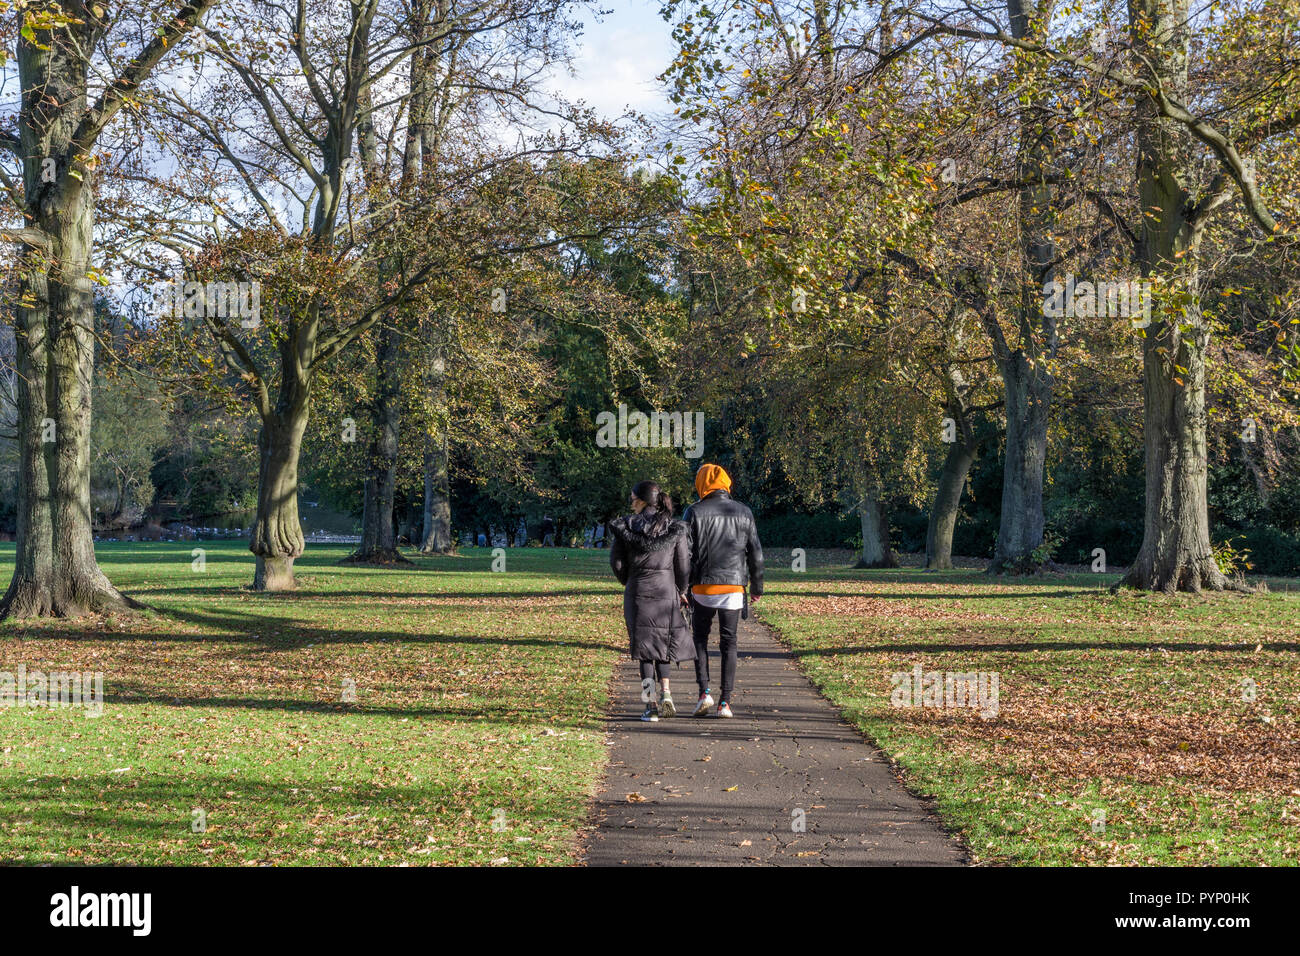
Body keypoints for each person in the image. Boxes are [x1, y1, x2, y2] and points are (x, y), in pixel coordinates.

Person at [609, 481, 695, 722]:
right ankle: (667, 692)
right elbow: (683, 564)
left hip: (638, 591)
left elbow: (616, 562)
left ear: (644, 500)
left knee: (644, 651)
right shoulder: (673, 527)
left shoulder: (625, 526)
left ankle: (650, 705)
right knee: (664, 645)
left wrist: (628, 579)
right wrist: (681, 589)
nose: (631, 502)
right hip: (666, 590)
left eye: (633, 498)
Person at [683, 463, 763, 718]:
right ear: (726, 483)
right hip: (733, 586)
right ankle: (725, 703)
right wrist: (757, 586)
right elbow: (756, 554)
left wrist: (683, 587)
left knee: (700, 639)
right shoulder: (744, 511)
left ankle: (704, 692)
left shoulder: (693, 512)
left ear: (701, 484)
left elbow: (685, 554)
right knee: (730, 643)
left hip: (703, 585)